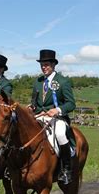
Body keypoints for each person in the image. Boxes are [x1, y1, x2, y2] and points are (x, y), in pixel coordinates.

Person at [30, 49, 76, 184]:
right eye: (42, 65)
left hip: (57, 118)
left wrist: (58, 110)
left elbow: (71, 104)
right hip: (40, 117)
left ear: (53, 65)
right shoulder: (38, 82)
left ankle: (66, 170)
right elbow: (34, 102)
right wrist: (31, 107)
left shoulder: (63, 81)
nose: (44, 67)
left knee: (61, 134)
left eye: (46, 65)